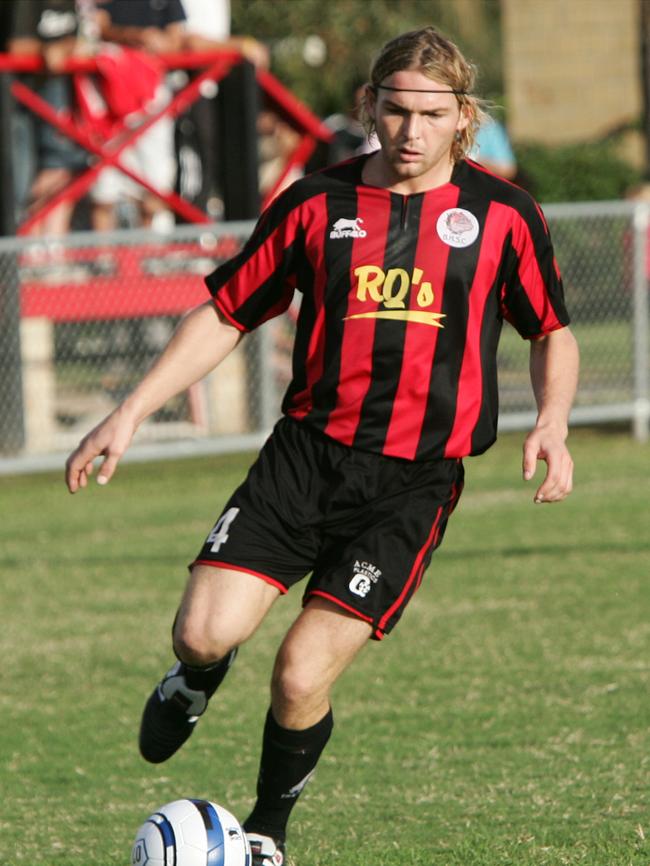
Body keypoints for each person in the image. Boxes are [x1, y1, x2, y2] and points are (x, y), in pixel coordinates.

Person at [65, 26, 579, 866]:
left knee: (301, 676)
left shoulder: (503, 216)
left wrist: (551, 421)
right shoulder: (316, 203)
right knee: (201, 633)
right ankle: (193, 680)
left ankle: (267, 828)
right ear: (370, 106)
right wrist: (129, 411)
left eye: (432, 114)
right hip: (304, 457)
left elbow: (551, 330)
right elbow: (228, 310)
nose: (412, 132)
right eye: (397, 109)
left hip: (412, 483)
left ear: (462, 118)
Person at [89, 0, 186, 231]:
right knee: (104, 184)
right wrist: (132, 36)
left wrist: (156, 41)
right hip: (107, 91)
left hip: (151, 94)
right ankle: (104, 260)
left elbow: (176, 40)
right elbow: (94, 27)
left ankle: (146, 256)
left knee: (154, 181)